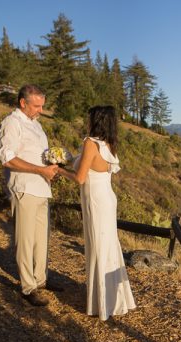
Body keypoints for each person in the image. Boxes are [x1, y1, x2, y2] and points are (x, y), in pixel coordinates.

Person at [57, 105, 136, 321]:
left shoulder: (90, 143)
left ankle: (102, 302)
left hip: (96, 200)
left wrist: (58, 170)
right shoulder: (109, 144)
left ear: (96, 120)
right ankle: (114, 298)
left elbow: (80, 178)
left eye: (89, 117)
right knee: (109, 245)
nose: (86, 121)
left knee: (98, 247)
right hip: (107, 197)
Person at [0, 84, 62, 307]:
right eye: (36, 106)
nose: (40, 110)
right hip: (24, 187)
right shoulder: (11, 124)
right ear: (23, 103)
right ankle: (28, 287)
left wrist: (53, 164)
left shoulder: (37, 125)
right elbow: (7, 158)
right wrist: (39, 170)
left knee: (41, 238)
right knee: (25, 240)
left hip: (42, 188)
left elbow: (36, 155)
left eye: (42, 106)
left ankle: (41, 279)